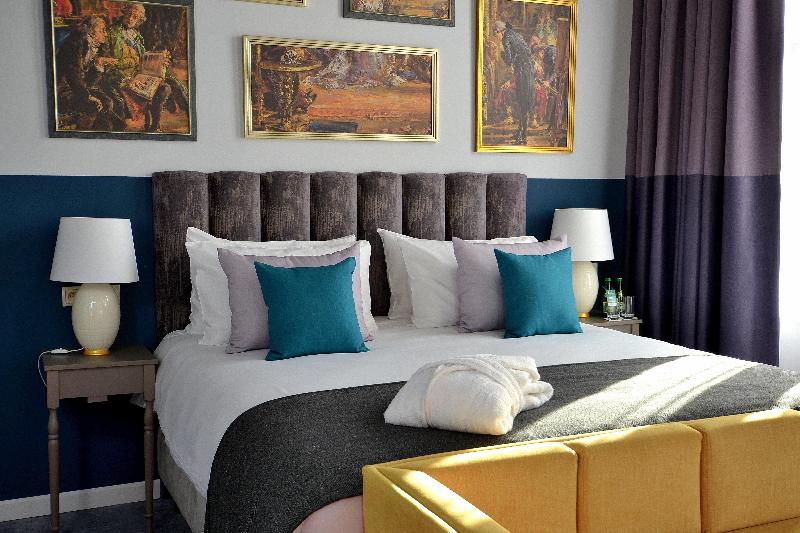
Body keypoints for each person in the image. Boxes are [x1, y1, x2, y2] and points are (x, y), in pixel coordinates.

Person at [102, 3, 188, 132]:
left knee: (167, 85)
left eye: (135, 17)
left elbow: (143, 58)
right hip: (121, 78)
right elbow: (107, 64)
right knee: (165, 87)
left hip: (140, 74)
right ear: (124, 13)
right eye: (129, 14)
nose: (131, 19)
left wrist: (159, 62)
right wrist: (129, 67)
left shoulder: (136, 35)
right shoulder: (110, 33)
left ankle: (155, 126)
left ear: (139, 20)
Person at [55, 15, 126, 130]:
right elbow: (73, 75)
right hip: (63, 90)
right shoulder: (75, 44)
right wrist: (87, 96)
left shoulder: (91, 46)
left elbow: (89, 82)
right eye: (102, 30)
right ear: (91, 31)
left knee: (107, 101)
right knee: (97, 108)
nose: (106, 34)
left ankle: (114, 128)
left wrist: (98, 64)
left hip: (78, 88)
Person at [495, 20, 534, 145]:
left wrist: (501, 51)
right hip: (528, 71)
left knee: (523, 102)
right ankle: (520, 132)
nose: (496, 36)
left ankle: (523, 137)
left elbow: (509, 60)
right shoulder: (515, 34)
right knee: (524, 102)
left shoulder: (506, 38)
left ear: (500, 31)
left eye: (496, 33)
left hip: (523, 72)